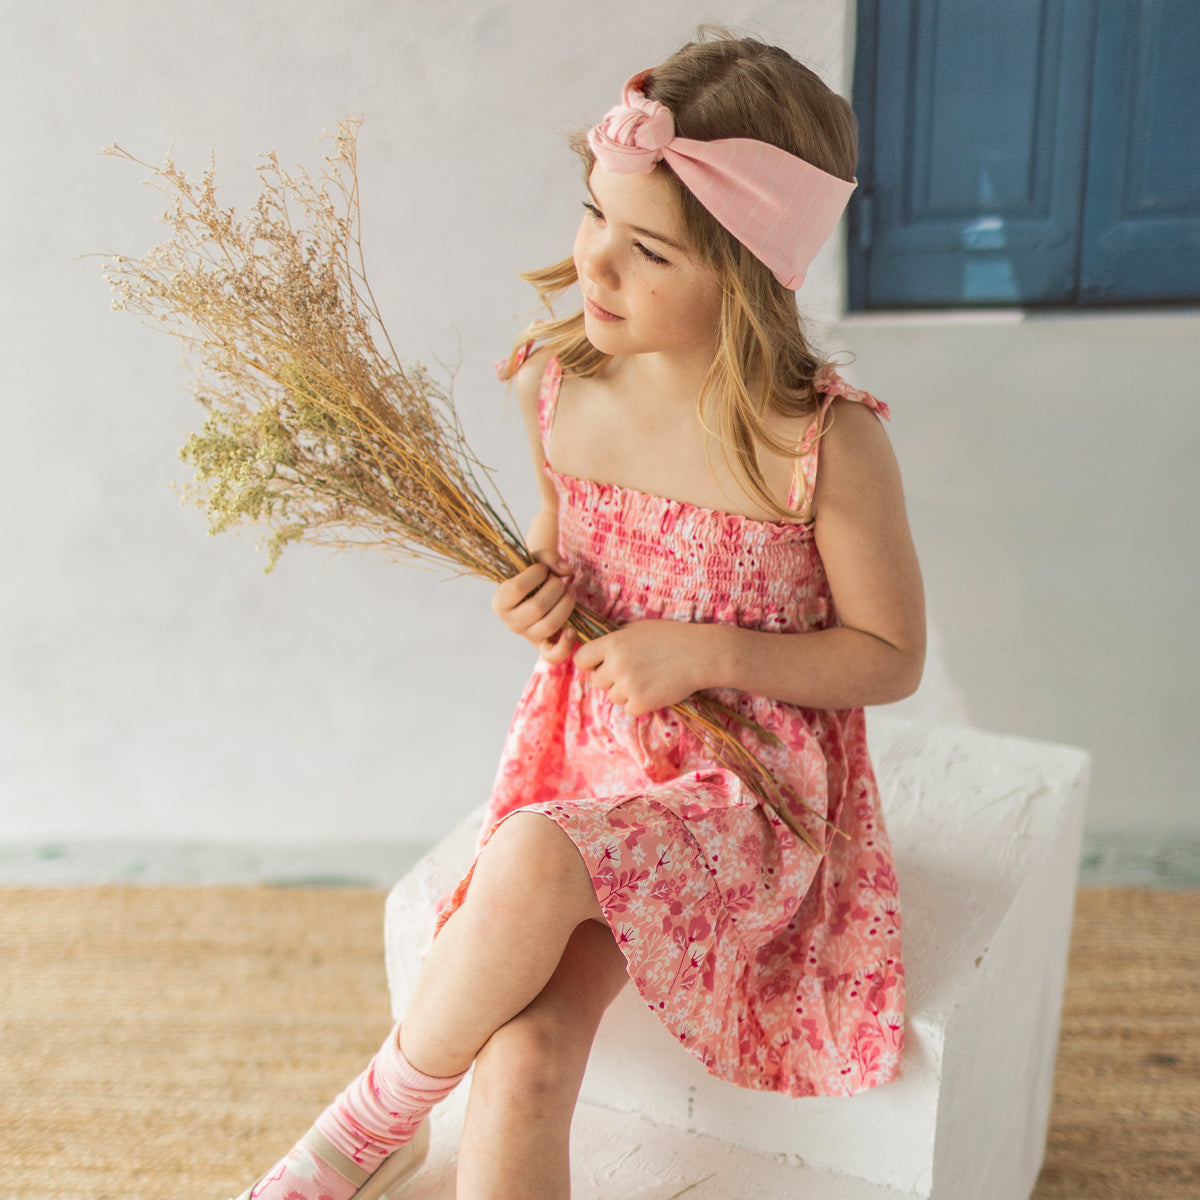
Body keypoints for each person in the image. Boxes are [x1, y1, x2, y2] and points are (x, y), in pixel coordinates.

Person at [232, 29, 924, 1200]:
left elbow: (890, 656)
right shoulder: (557, 386)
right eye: (592, 215)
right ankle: (406, 1126)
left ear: (752, 271)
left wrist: (707, 651)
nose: (595, 264)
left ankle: (365, 1121)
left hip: (739, 797)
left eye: (646, 248)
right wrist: (536, 598)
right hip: (594, 763)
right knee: (524, 1061)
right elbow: (566, 564)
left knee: (535, 855)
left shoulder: (822, 445)